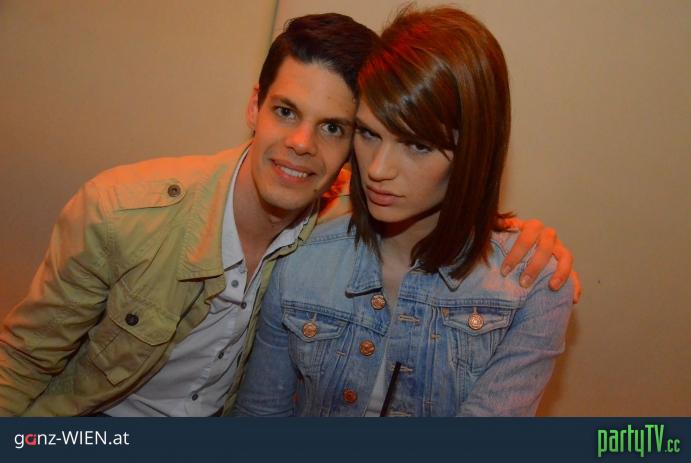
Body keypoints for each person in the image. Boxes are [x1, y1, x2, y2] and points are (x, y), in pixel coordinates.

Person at [0, 12, 575, 417]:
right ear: (254, 106)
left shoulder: (348, 215)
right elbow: (21, 362)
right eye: (285, 111)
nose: (301, 144)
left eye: (334, 127)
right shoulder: (121, 213)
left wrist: (519, 236)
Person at [233, 6, 574, 417]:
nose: (378, 169)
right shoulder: (300, 262)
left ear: (472, 150)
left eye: (418, 145)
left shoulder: (530, 287)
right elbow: (260, 415)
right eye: (368, 134)